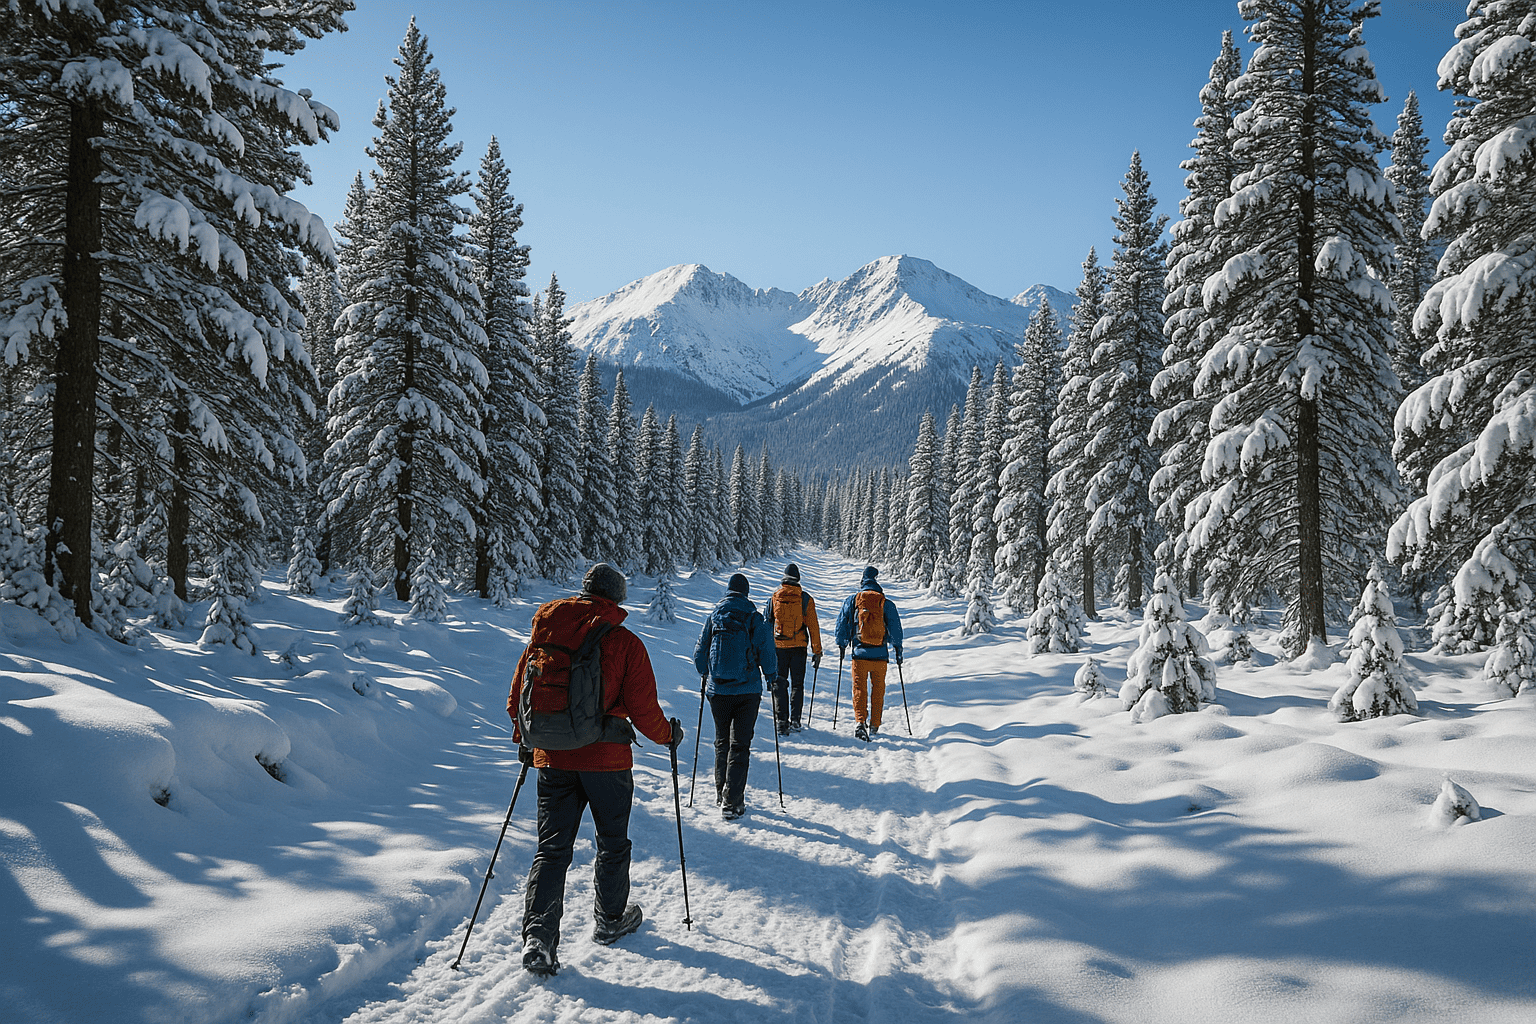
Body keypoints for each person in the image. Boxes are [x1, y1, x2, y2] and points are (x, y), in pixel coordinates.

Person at [507, 563, 683, 978]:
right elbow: (642, 710)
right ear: (617, 599)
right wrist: (667, 737)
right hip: (608, 762)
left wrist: (525, 740)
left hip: (552, 758)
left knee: (551, 850)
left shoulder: (547, 632)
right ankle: (609, 920)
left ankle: (539, 938)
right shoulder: (624, 642)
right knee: (613, 843)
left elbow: (520, 693)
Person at [693, 572, 777, 820]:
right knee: (740, 746)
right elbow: (766, 649)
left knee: (722, 743)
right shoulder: (753, 617)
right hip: (747, 691)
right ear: (746, 593)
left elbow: (699, 654)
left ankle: (721, 794)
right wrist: (771, 676)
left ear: (728, 591)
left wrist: (706, 673)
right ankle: (733, 802)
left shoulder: (714, 616)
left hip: (718, 691)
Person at [833, 565, 904, 742]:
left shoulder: (853, 600)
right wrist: (898, 648)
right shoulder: (885, 603)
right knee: (878, 689)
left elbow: (842, 623)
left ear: (862, 581)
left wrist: (841, 644)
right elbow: (895, 628)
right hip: (880, 656)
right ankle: (875, 724)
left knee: (859, 688)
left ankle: (860, 721)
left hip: (859, 654)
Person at [766, 562, 823, 733]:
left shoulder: (775, 597)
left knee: (780, 683)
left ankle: (781, 721)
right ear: (798, 579)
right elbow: (813, 627)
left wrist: (765, 650)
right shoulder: (805, 599)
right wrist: (817, 651)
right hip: (799, 646)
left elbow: (767, 624)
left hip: (779, 647)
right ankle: (796, 720)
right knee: (797, 684)